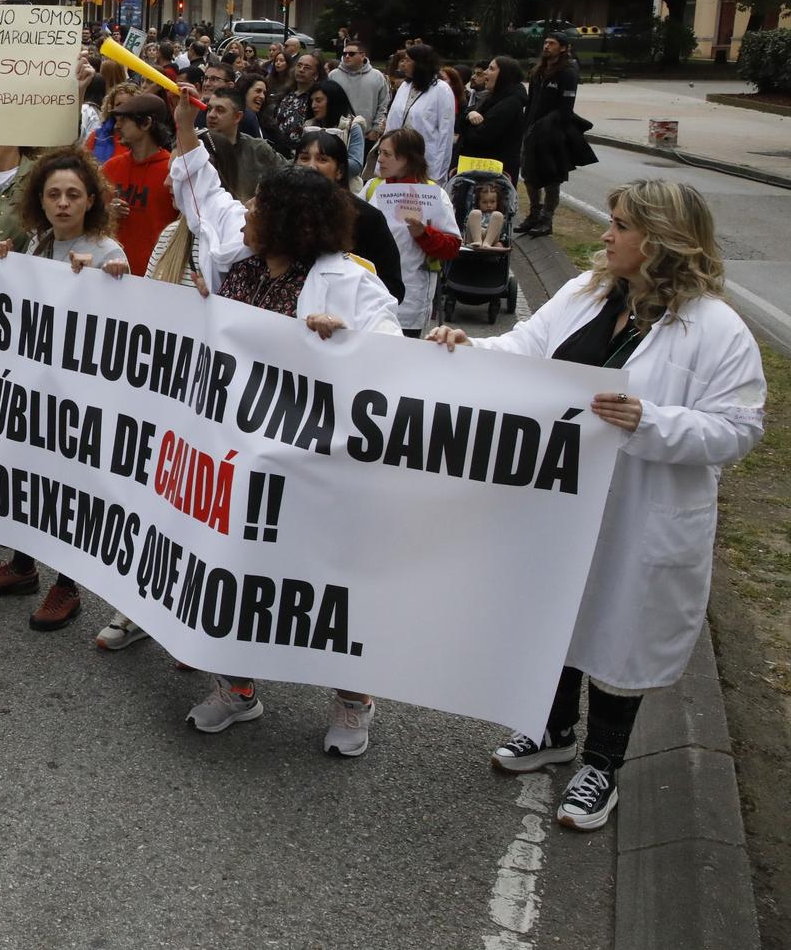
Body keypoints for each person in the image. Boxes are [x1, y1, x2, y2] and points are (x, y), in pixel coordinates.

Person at [427, 180, 764, 830]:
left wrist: (650, 420)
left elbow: (739, 429)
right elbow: (526, 349)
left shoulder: (717, 330)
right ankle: (552, 730)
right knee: (557, 615)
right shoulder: (587, 294)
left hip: (643, 509)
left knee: (620, 632)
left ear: (662, 240)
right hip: (565, 496)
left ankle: (601, 765)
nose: (605, 236)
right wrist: (465, 350)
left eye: (619, 226)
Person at [170, 84, 399, 753]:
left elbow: (393, 350)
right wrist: (186, 126)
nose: (244, 210)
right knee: (235, 568)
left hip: (314, 462)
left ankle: (354, 698)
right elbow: (205, 196)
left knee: (321, 581)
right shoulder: (235, 259)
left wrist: (348, 339)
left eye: (260, 205)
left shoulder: (347, 281)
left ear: (292, 221)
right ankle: (237, 687)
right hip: (238, 451)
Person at [0, 146, 132, 631]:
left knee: (69, 487)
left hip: (80, 396)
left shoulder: (107, 251)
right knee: (30, 476)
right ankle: (23, 566)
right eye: (54, 194)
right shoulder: (37, 245)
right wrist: (5, 263)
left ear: (90, 202)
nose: (63, 203)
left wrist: (113, 278)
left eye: (73, 195)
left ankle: (68, 584)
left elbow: (127, 326)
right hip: (35, 386)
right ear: (40, 201)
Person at [363, 127, 460, 336]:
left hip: (409, 302)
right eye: (379, 152)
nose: (380, 159)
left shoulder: (433, 194)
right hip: (367, 296)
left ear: (408, 159)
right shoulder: (372, 188)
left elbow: (452, 247)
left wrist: (424, 234)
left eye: (387, 154)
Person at [295, 130, 406, 301]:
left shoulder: (367, 218)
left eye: (322, 159)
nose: (311, 166)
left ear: (339, 171)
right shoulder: (280, 211)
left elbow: (392, 288)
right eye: (304, 158)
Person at [518, 33, 597, 237]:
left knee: (552, 177)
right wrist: (526, 128)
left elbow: (565, 108)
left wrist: (550, 128)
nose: (546, 46)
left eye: (551, 43)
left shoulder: (567, 72)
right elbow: (532, 102)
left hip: (552, 133)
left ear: (563, 48)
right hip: (531, 131)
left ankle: (547, 219)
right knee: (528, 174)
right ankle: (534, 214)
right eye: (545, 43)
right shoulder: (538, 70)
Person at [97, 92, 178, 275]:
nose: (117, 126)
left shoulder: (173, 172)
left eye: (124, 120)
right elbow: (91, 217)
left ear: (146, 123)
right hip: (110, 275)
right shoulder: (111, 167)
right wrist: (107, 211)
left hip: (156, 280)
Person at [382, 43, 457, 184]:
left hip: (426, 162)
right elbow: (392, 123)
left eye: (408, 60)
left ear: (420, 63)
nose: (404, 64)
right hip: (397, 160)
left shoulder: (442, 90)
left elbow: (445, 134)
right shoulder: (405, 86)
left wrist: (437, 173)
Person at [200, 86, 285, 202]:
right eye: (209, 109)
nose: (211, 115)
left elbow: (288, 173)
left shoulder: (257, 149)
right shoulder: (198, 146)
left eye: (220, 110)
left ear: (237, 117)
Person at [457, 56, 528, 186]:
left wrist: (467, 126)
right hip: (480, 171)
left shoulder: (510, 104)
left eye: (491, 69)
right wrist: (469, 115)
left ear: (504, 75)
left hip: (493, 176)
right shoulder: (492, 97)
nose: (485, 72)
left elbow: (481, 136)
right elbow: (462, 119)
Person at [303, 78, 366, 183]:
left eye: (318, 101)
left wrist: (326, 165)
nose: (313, 105)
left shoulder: (352, 126)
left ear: (333, 102)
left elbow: (356, 164)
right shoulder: (309, 125)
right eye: (312, 101)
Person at [329, 40, 390, 133]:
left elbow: (383, 105)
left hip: (367, 133)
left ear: (362, 56)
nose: (347, 56)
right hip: (337, 131)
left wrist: (376, 129)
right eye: (344, 53)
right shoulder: (333, 75)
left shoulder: (377, 76)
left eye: (351, 53)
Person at [465, 181, 511, 250]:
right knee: (475, 213)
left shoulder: (499, 216)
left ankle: (487, 243)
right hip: (473, 237)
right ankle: (478, 241)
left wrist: (501, 242)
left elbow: (503, 233)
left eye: (492, 202)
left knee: (498, 215)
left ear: (497, 202)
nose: (489, 205)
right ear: (478, 202)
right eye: (484, 202)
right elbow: (465, 225)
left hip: (491, 239)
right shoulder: (475, 212)